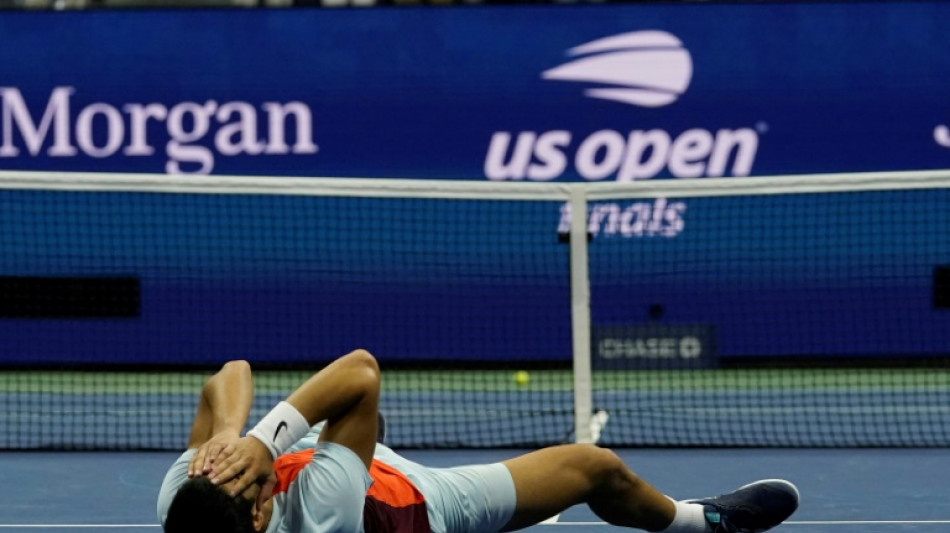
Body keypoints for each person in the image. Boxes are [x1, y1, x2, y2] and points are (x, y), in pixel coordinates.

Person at [158, 350, 799, 533]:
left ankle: (360, 441)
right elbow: (360, 371)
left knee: (354, 425)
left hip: (346, 468)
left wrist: (229, 437)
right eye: (248, 481)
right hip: (419, 507)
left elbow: (229, 374)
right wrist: (266, 443)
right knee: (595, 467)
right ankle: (702, 523)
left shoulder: (183, 497)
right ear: (262, 514)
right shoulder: (321, 511)